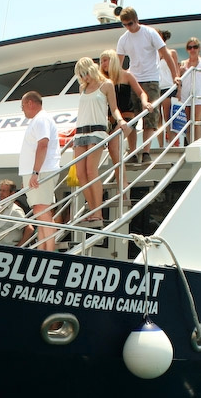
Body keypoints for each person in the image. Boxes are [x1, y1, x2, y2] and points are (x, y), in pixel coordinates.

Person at [116, 7, 180, 163]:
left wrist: (175, 76)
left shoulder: (150, 33)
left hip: (151, 79)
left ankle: (146, 152)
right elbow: (117, 63)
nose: (128, 27)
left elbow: (166, 54)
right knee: (132, 117)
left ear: (136, 20)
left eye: (130, 24)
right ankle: (132, 152)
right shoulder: (123, 39)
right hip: (133, 80)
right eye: (125, 25)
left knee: (150, 116)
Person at [73, 57, 131, 223]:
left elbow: (114, 108)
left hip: (97, 131)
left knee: (91, 171)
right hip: (80, 132)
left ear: (91, 69)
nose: (84, 77)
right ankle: (93, 210)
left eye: (84, 73)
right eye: (80, 75)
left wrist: (120, 120)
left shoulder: (106, 85)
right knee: (80, 174)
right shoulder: (82, 88)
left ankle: (98, 212)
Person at [19, 91, 60, 251]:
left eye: (22, 106)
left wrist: (35, 172)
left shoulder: (41, 119)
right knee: (39, 211)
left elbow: (43, 144)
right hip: (40, 171)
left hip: (42, 171)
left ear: (30, 103)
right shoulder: (39, 119)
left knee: (41, 210)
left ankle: (49, 251)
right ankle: (43, 249)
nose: (22, 110)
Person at [99, 48, 147, 167]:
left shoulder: (126, 75)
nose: (103, 64)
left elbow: (141, 92)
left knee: (114, 143)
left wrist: (145, 103)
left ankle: (121, 172)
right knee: (112, 147)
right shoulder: (103, 80)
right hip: (111, 119)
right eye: (101, 61)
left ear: (113, 60)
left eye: (105, 60)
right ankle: (121, 169)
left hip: (128, 116)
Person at [157, 29, 180, 146]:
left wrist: (179, 89)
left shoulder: (171, 53)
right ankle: (161, 145)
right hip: (156, 87)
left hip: (168, 87)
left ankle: (171, 143)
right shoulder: (153, 54)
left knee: (167, 116)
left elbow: (176, 71)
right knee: (157, 118)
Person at [0, 178, 34, 247]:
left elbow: (29, 229)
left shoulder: (15, 210)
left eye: (4, 191)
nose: (1, 193)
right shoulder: (0, 209)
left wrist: (19, 246)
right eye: (0, 190)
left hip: (9, 248)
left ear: (12, 193)